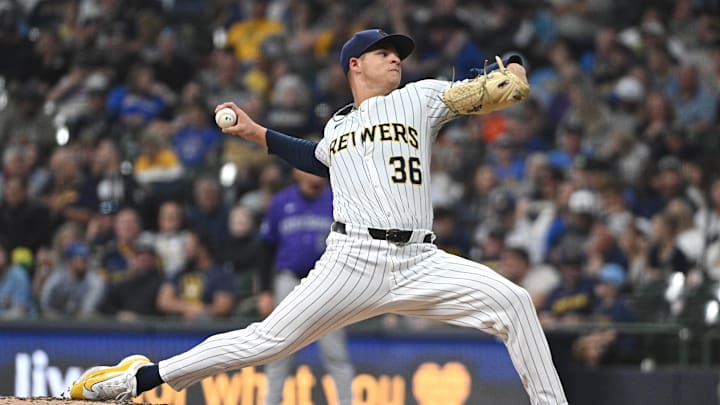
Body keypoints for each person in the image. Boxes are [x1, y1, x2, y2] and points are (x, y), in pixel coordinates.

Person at [67, 29, 567, 405]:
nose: (396, 58)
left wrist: (517, 68)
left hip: (420, 258)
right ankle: (143, 377)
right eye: (384, 52)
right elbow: (317, 157)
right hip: (352, 260)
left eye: (400, 53)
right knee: (266, 341)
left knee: (516, 303)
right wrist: (255, 132)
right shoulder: (338, 125)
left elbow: (496, 92)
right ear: (355, 65)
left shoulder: (420, 98)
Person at [258, 169, 354, 405]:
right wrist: (264, 290)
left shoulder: (339, 200)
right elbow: (265, 248)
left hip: (327, 285)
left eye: (318, 168)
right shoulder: (281, 201)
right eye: (308, 168)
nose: (315, 173)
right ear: (296, 173)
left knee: (336, 353)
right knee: (277, 349)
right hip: (289, 280)